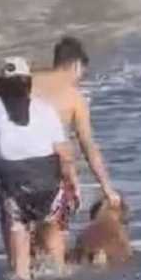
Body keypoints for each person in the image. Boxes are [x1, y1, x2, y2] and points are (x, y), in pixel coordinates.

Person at [0, 57, 78, 280]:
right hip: (49, 181)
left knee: (20, 260)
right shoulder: (44, 107)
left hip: (15, 184)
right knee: (52, 234)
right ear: (28, 83)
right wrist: (72, 182)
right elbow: (64, 153)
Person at [32, 36, 121, 207]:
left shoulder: (26, 81)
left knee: (17, 229)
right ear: (76, 66)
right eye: (82, 73)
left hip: (11, 166)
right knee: (52, 229)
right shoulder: (74, 98)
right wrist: (107, 189)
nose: (80, 79)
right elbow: (88, 146)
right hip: (46, 173)